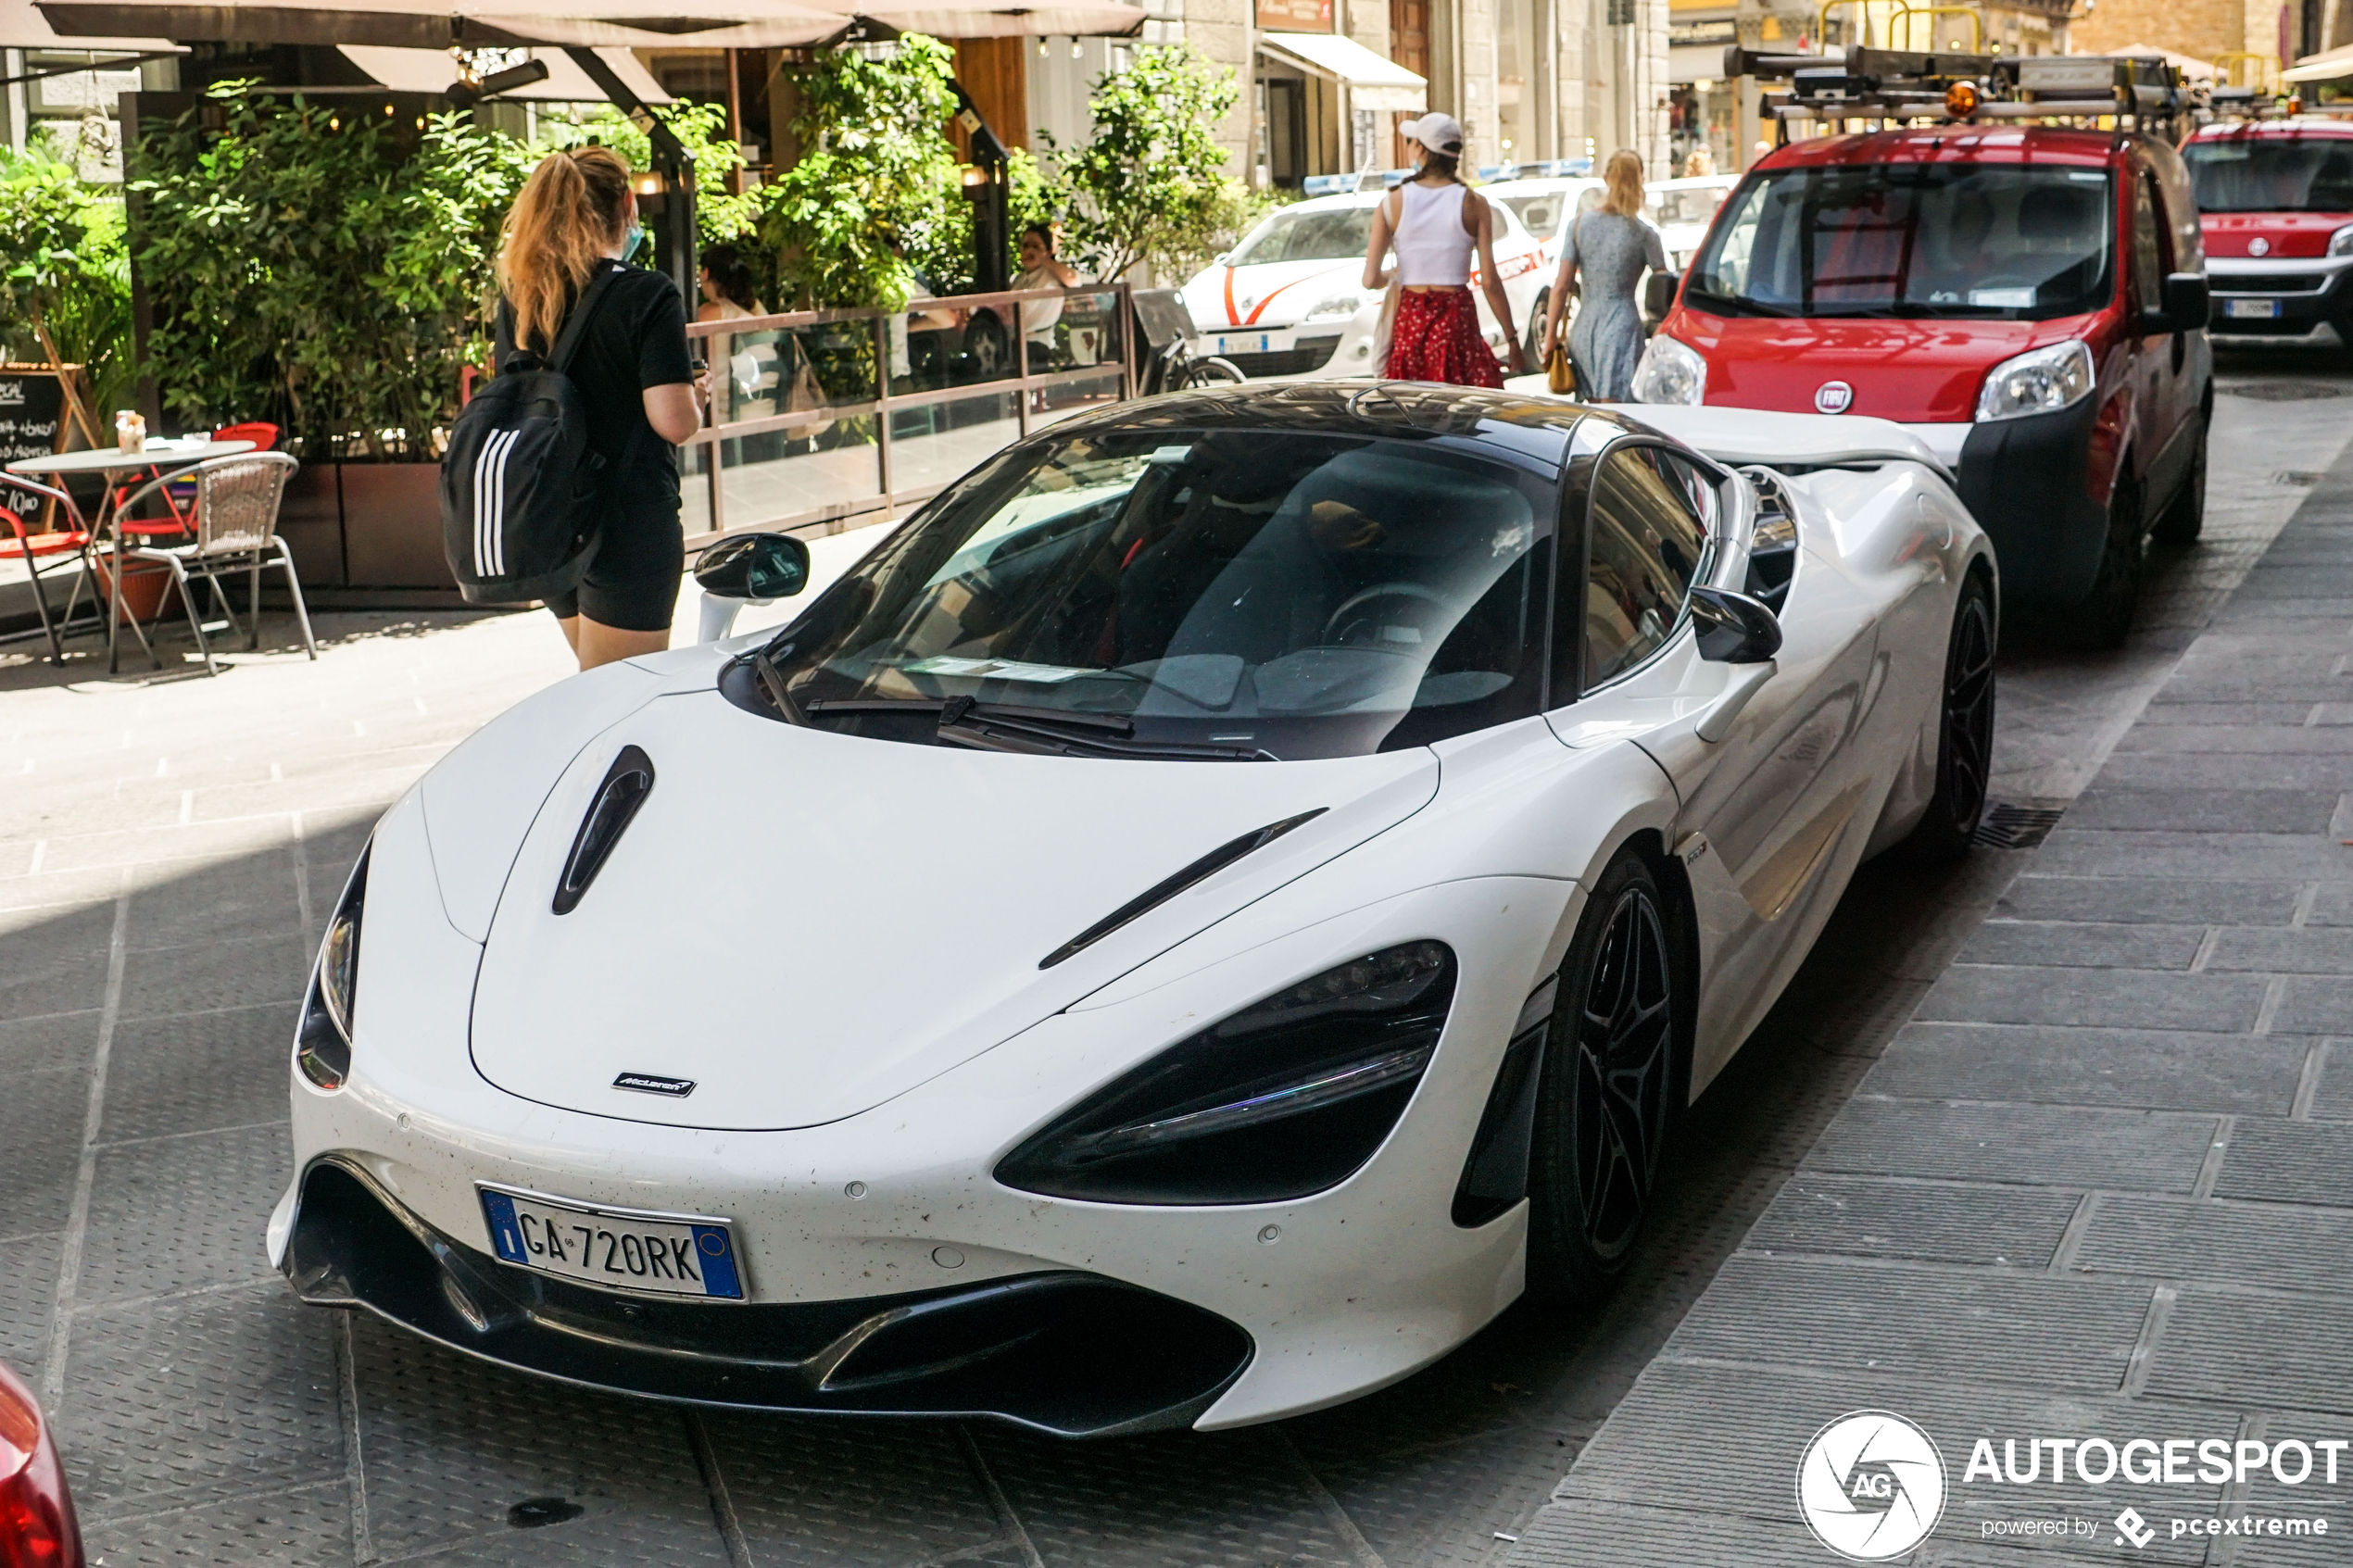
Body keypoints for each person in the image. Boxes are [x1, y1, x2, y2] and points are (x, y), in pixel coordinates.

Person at [494, 145, 707, 671]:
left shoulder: (523, 295)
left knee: (599, 680)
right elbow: (673, 423)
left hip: (550, 521)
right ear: (628, 206)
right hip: (625, 524)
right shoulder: (647, 294)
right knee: (619, 696)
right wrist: (697, 397)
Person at [1362, 112, 1528, 386]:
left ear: (1421, 151)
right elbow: (1490, 281)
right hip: (1457, 321)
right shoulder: (1474, 203)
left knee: (1414, 411)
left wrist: (1396, 273)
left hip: (1411, 323)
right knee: (1463, 414)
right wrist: (1512, 340)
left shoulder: (1392, 202)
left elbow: (1370, 280)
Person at [1541, 148, 1667, 402]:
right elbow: (1664, 284)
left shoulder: (1578, 225)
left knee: (1593, 414)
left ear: (1605, 177)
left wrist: (1550, 338)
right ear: (1640, 180)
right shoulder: (1645, 234)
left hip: (1584, 330)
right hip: (1622, 330)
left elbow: (1561, 287)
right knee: (1618, 416)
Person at [1004, 222, 1083, 370]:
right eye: (1025, 246)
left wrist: (1044, 259)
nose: (1029, 251)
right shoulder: (1019, 279)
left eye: (1036, 246)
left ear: (1048, 251)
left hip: (1036, 345)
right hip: (1013, 342)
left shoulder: (1052, 275)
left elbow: (1074, 281)